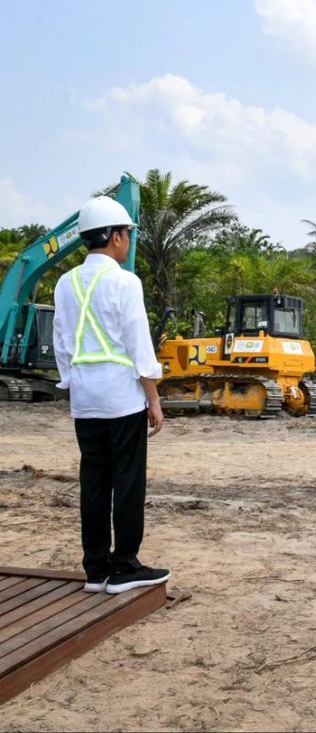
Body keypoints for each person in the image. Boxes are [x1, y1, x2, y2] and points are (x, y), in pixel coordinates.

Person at [52, 195, 170, 595]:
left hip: (85, 399)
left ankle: (96, 569)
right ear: (117, 236)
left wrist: (72, 383)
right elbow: (140, 346)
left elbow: (62, 342)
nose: (128, 242)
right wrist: (153, 399)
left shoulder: (65, 283)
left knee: (95, 481)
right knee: (128, 481)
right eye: (127, 235)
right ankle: (125, 566)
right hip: (121, 397)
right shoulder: (124, 281)